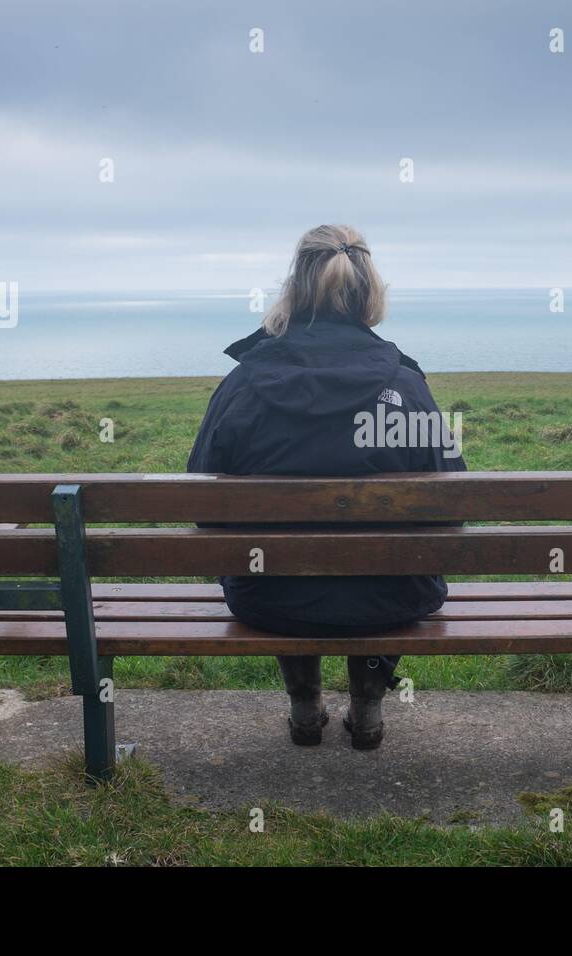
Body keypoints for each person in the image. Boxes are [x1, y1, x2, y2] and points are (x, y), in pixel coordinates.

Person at [187, 224, 466, 749]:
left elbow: (202, 503)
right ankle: (367, 707)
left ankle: (304, 704)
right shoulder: (404, 386)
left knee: (277, 561)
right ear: (369, 292)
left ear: (295, 286)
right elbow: (453, 501)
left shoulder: (245, 385)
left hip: (269, 598)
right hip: (391, 598)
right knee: (379, 564)